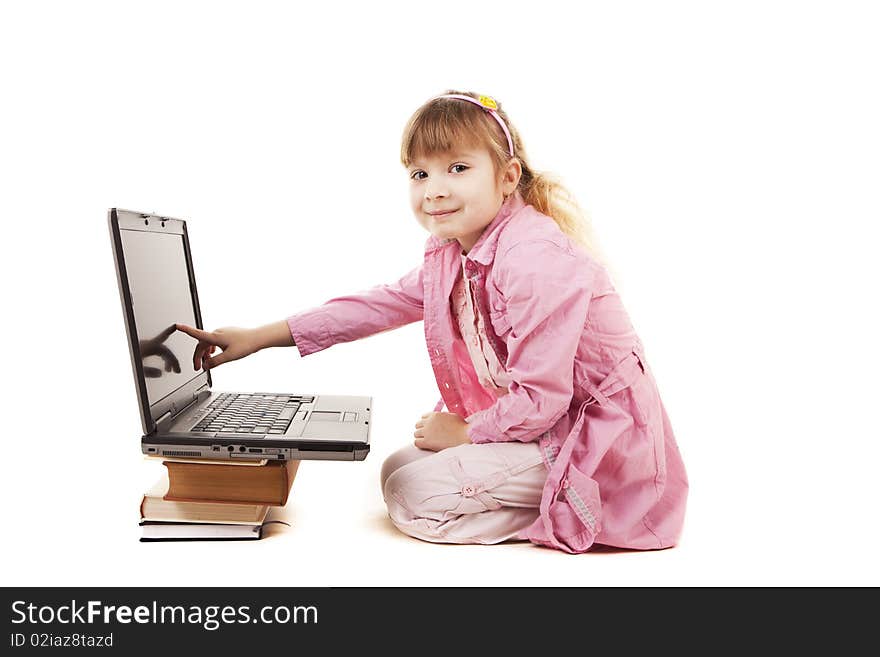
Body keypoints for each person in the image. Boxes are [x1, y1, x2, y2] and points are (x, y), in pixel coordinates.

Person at [176, 90, 688, 554]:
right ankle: (545, 496)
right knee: (398, 468)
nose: (434, 190)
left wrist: (466, 432)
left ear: (508, 177)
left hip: (594, 441)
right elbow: (379, 304)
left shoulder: (532, 258)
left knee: (412, 492)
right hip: (545, 428)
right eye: (420, 173)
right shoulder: (452, 253)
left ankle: (577, 505)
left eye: (458, 168)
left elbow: (544, 400)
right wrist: (261, 337)